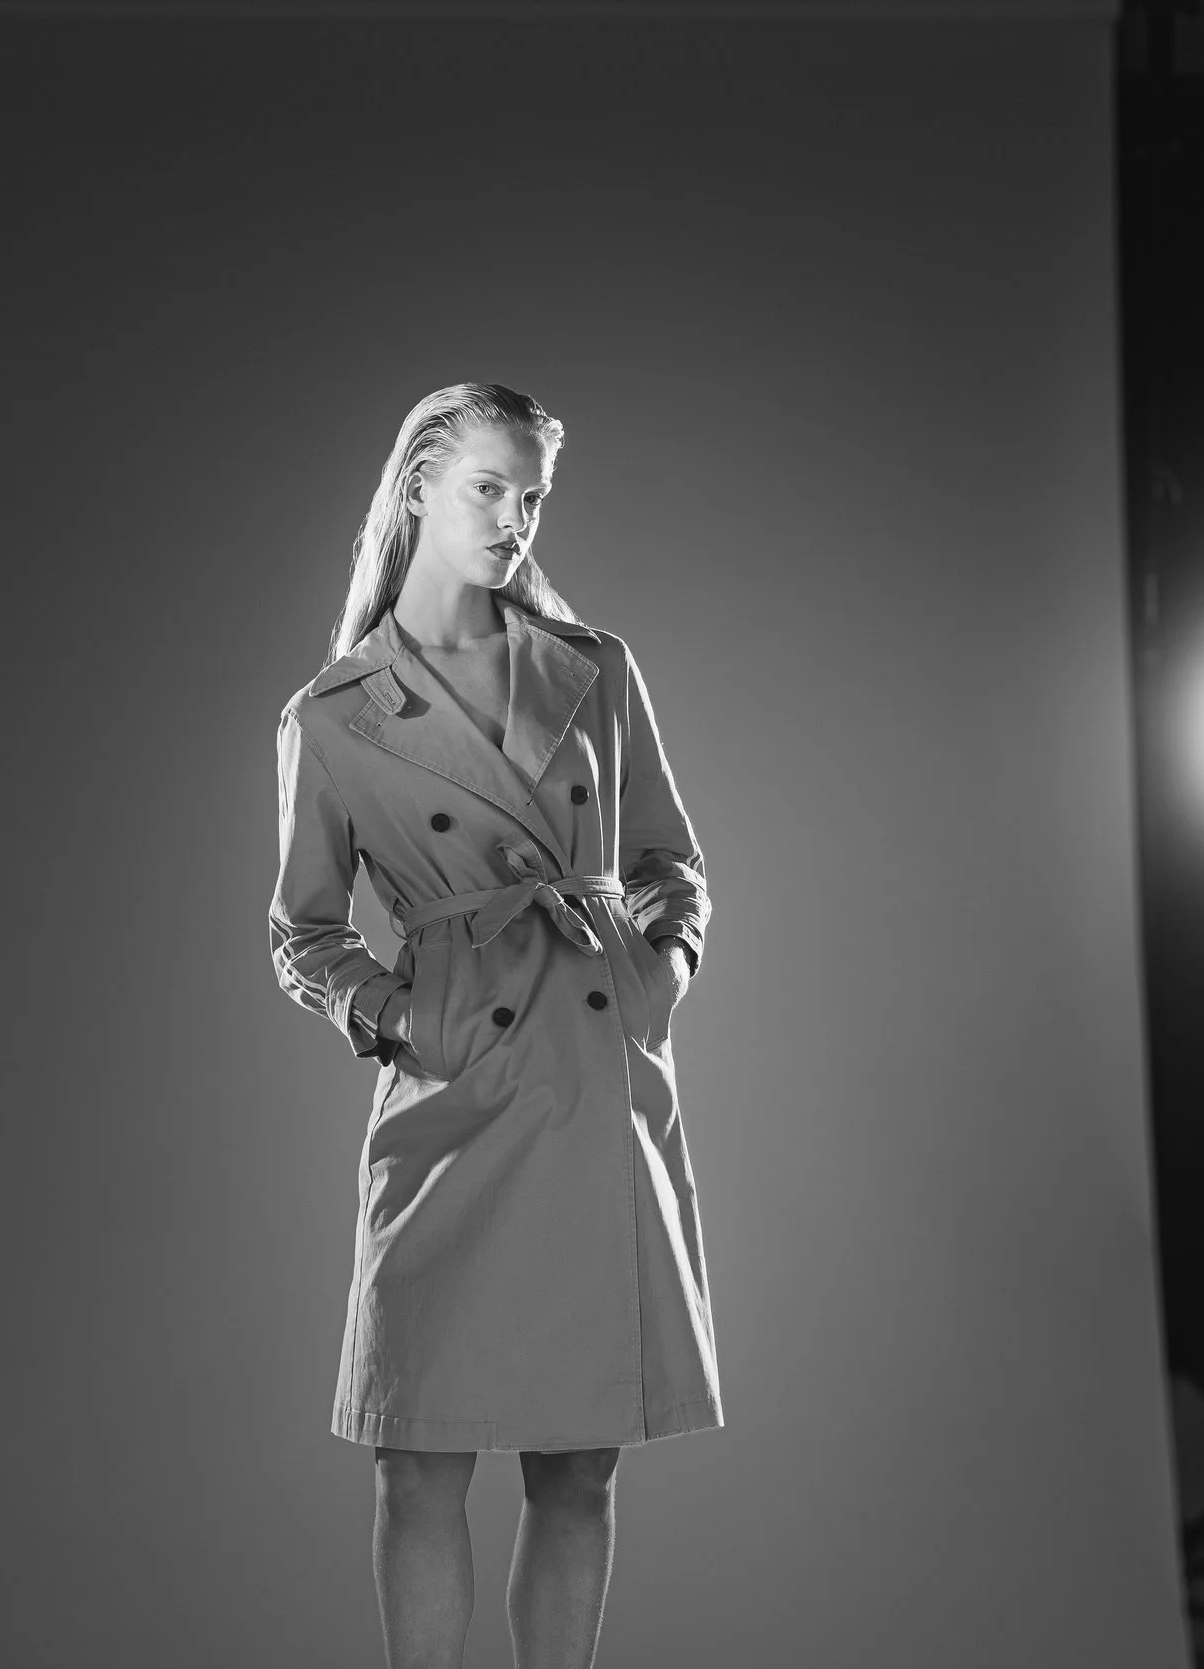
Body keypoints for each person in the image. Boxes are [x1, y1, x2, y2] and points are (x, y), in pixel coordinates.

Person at [269, 382, 723, 1669]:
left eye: (532, 497)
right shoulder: (333, 716)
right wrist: (402, 1014)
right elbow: (302, 931)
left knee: (578, 1465)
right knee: (416, 1459)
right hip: (453, 1088)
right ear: (417, 483)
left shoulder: (594, 668)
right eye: (489, 488)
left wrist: (661, 963)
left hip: (592, 1068)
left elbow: (670, 860)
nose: (514, 519)